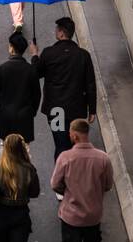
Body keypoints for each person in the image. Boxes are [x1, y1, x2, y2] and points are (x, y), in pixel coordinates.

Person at [31, 17, 97, 158]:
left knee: (60, 144)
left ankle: (61, 175)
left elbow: (35, 73)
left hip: (56, 110)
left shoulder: (49, 53)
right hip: (77, 109)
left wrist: (35, 55)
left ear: (61, 33)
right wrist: (92, 109)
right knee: (75, 145)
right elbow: (90, 83)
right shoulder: (83, 56)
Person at [50, 119, 114, 242]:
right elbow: (108, 185)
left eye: (70, 133)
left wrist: (67, 192)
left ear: (74, 136)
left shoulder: (65, 157)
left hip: (71, 216)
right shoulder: (103, 158)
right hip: (93, 216)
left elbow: (55, 184)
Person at [0, 32, 41, 145]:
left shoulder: (0, 70)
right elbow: (37, 95)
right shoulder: (31, 71)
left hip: (5, 119)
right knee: (24, 152)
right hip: (25, 118)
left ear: (11, 48)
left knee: (6, 152)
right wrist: (31, 112)